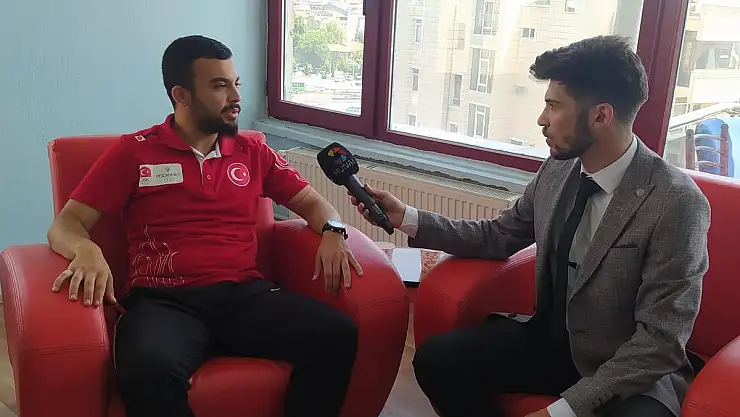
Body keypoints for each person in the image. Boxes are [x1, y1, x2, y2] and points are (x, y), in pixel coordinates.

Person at [350, 35, 709, 417]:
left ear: (601, 116)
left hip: (625, 367)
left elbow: (659, 342)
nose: (542, 119)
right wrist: (406, 217)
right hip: (550, 343)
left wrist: (561, 412)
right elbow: (498, 235)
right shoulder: (558, 168)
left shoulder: (675, 202)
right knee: (436, 360)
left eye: (554, 106)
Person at [47, 35, 362, 417]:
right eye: (219, 85)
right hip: (164, 301)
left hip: (243, 297)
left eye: (235, 83)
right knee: (148, 369)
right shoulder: (134, 151)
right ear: (181, 95)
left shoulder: (252, 151)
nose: (236, 97)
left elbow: (313, 203)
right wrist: (86, 249)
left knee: (336, 333)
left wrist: (333, 231)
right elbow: (66, 224)